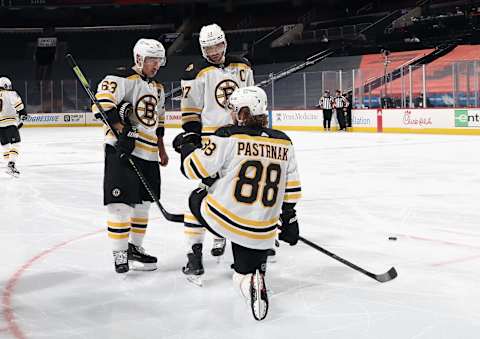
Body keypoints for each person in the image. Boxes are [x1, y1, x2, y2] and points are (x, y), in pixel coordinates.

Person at [172, 86, 301, 320]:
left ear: (242, 113)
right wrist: (289, 217)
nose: (231, 115)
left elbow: (193, 168)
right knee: (242, 274)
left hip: (225, 218)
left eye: (234, 111)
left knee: (197, 194)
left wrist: (186, 145)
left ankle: (194, 256)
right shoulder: (284, 142)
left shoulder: (227, 135)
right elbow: (291, 188)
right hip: (263, 229)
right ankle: (253, 278)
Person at [180, 23, 256, 275]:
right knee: (209, 190)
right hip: (212, 140)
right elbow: (190, 111)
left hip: (240, 138)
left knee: (237, 191)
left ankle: (229, 237)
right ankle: (206, 242)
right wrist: (191, 140)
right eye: (208, 48)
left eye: (217, 45)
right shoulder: (195, 72)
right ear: (202, 49)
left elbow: (253, 100)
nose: (213, 51)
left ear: (224, 43)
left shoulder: (242, 66)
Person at [91, 38, 169, 273]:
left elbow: (159, 120)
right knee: (120, 205)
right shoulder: (121, 78)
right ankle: (120, 253)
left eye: (158, 60)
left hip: (149, 153)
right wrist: (120, 130)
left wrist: (161, 147)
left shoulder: (158, 88)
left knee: (143, 205)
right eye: (151, 60)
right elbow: (102, 103)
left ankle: (135, 248)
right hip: (121, 151)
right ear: (139, 59)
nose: (155, 65)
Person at [0, 77, 27, 177]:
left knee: (5, 146)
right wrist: (23, 113)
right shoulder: (11, 93)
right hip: (9, 122)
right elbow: (19, 106)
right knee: (16, 144)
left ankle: (8, 165)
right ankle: (11, 165)